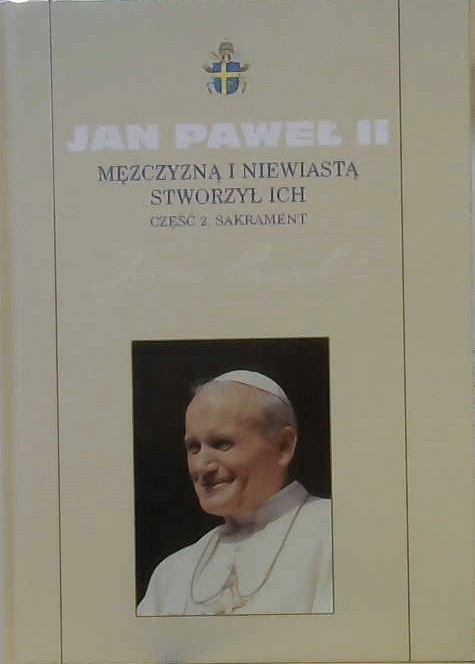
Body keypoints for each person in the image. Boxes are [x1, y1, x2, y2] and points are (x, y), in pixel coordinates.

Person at [137, 370, 332, 616]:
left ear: (283, 446)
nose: (201, 466)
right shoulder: (172, 574)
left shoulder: (334, 532)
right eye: (194, 448)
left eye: (222, 444)